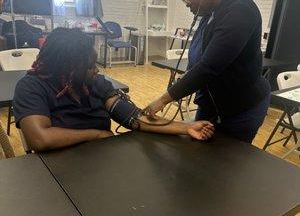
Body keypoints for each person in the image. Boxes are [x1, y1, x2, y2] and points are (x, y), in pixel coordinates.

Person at [13, 28, 214, 152]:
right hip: (56, 174)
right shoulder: (31, 87)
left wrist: (186, 127)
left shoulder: (95, 84)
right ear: (70, 68)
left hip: (100, 164)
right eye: (91, 66)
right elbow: (41, 139)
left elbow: (134, 118)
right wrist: (96, 134)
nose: (97, 70)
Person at [144, 0, 271, 143]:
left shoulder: (240, 11)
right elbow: (199, 58)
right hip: (211, 104)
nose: (187, 2)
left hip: (240, 109)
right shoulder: (211, 12)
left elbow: (209, 67)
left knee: (227, 165)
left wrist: (163, 100)